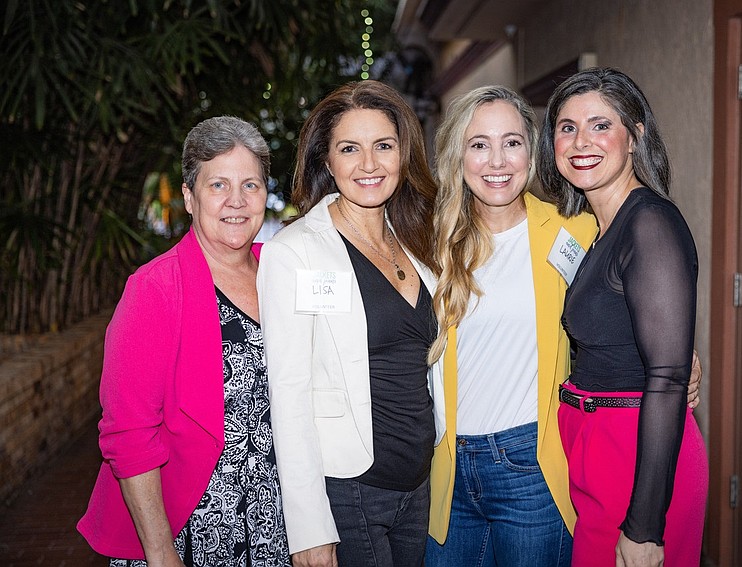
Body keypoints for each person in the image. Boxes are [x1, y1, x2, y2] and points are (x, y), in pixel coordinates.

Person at [424, 85, 703, 567]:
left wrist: (679, 365)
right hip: (448, 468)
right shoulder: (429, 241)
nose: (497, 160)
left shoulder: (574, 230)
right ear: (457, 153)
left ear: (532, 153)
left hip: (533, 461)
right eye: (479, 143)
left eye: (512, 142)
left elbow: (647, 316)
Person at [77, 116, 291, 566]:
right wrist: (160, 551)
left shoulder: (283, 271)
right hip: (189, 527)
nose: (237, 200)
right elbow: (129, 433)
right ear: (190, 198)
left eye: (250, 185)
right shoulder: (154, 288)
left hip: (276, 518)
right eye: (218, 185)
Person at [257, 80, 441, 567]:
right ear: (326, 160)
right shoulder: (293, 253)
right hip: (350, 489)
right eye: (349, 149)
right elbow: (289, 396)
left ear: (404, 154)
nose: (369, 164)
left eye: (384, 146)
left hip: (419, 482)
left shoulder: (418, 244)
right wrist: (308, 529)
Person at [540, 67, 708, 567]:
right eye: (566, 128)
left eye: (599, 125)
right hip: (598, 447)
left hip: (636, 457)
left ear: (634, 137)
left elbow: (668, 375)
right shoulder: (597, 226)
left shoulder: (649, 223)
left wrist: (644, 526)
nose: (579, 142)